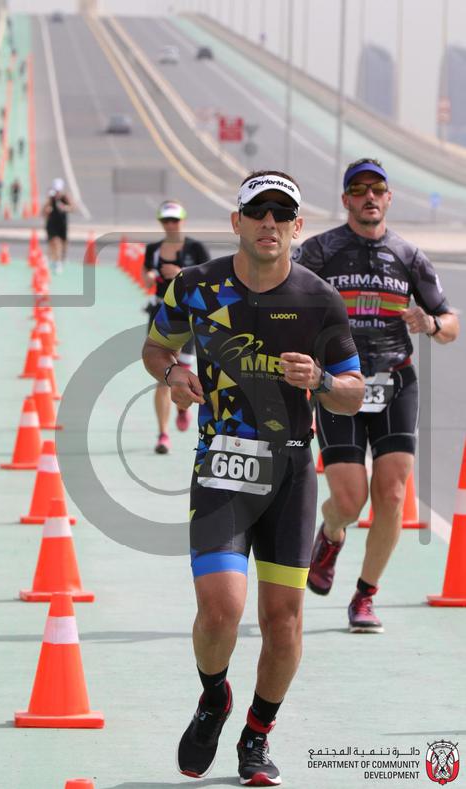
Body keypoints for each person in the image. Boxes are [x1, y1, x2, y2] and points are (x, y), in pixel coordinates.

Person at [142, 170, 364, 785]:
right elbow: (156, 349)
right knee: (220, 611)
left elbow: (352, 392)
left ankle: (257, 736)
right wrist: (173, 376)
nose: (270, 223)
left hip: (290, 471)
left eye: (282, 214)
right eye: (258, 212)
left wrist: (321, 380)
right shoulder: (196, 285)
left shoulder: (320, 299)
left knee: (283, 621)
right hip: (222, 465)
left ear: (297, 226)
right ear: (236, 222)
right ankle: (215, 695)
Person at [292, 157, 460, 634]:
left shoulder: (409, 256)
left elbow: (451, 323)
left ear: (388, 198)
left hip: (395, 382)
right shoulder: (320, 251)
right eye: (359, 190)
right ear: (346, 199)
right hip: (339, 384)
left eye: (377, 190)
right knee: (349, 501)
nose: (369, 197)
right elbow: (283, 298)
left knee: (392, 493)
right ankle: (331, 533)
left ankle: (364, 595)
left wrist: (430, 323)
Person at [142, 200, 209, 454]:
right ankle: (162, 434)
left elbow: (207, 280)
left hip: (188, 316)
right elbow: (146, 276)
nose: (170, 225)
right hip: (161, 313)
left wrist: (181, 273)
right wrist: (150, 276)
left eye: (175, 220)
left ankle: (182, 408)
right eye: (166, 221)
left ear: (182, 220)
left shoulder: (196, 248)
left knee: (184, 371)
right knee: (163, 376)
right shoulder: (153, 249)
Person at [42, 178, 74, 273]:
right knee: (55, 242)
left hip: (62, 224)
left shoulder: (65, 197)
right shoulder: (50, 197)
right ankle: (56, 262)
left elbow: (73, 207)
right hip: (52, 223)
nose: (57, 193)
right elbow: (44, 210)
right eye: (56, 190)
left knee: (63, 244)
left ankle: (58, 259)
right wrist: (47, 210)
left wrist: (65, 208)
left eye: (59, 191)